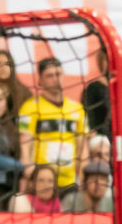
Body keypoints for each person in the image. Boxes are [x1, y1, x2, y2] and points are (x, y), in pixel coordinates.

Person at [18, 57, 89, 192]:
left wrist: (83, 178)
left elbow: (83, 148)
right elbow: (25, 145)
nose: (56, 79)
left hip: (70, 183)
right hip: (42, 183)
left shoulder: (78, 109)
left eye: (58, 74)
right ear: (40, 80)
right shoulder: (29, 108)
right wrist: (29, 173)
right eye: (50, 76)